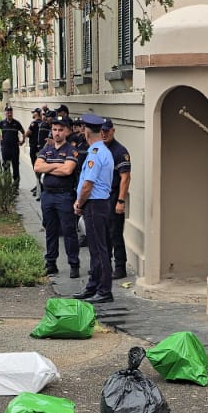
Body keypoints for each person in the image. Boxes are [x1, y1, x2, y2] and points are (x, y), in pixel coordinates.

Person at [71, 115, 116, 304]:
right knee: (96, 248)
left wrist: (79, 203)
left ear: (87, 131)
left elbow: (88, 184)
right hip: (99, 204)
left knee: (99, 249)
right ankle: (93, 286)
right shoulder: (102, 151)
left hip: (94, 204)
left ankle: (104, 290)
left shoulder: (96, 153)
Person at [34, 118, 81, 278]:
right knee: (50, 230)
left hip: (64, 195)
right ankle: (51, 263)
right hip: (48, 195)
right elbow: (37, 166)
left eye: (60, 130)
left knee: (69, 231)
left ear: (66, 131)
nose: (57, 133)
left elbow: (68, 170)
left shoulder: (71, 150)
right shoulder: (47, 148)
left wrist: (49, 167)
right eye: (54, 129)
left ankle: (74, 264)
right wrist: (57, 166)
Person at [102, 118, 132, 280]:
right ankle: (105, 264)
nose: (104, 133)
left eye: (107, 130)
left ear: (113, 130)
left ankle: (120, 267)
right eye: (102, 131)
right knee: (104, 233)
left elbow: (125, 178)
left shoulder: (120, 151)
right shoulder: (98, 149)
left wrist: (120, 201)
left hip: (114, 196)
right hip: (102, 197)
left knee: (115, 233)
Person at [0, 106, 25, 189]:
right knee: (5, 166)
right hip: (5, 148)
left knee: (15, 166)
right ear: (5, 113)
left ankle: (16, 185)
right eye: (8, 112)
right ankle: (7, 184)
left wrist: (22, 141)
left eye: (10, 112)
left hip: (14, 148)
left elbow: (23, 132)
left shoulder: (16, 123)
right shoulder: (2, 123)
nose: (9, 114)